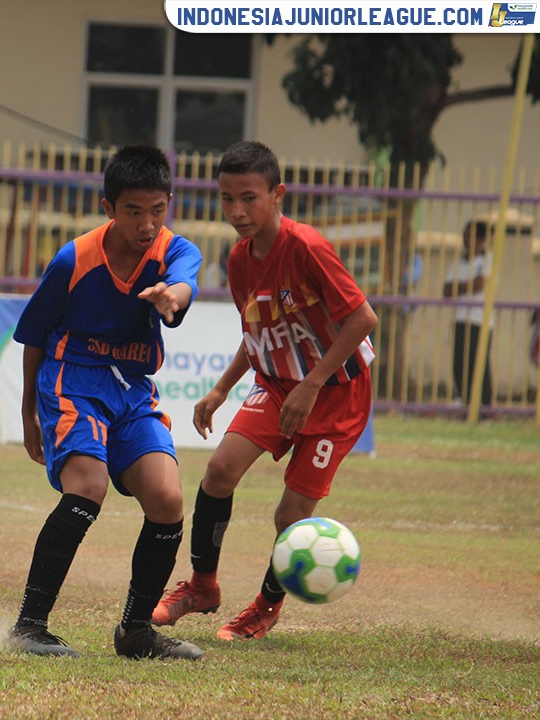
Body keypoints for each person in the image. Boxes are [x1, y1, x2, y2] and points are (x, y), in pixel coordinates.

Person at [152, 140, 378, 641]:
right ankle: (203, 587)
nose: (237, 211)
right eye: (227, 199)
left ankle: (265, 607)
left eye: (249, 198)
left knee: (291, 515)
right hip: (277, 384)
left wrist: (313, 385)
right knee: (219, 470)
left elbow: (363, 318)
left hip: (337, 393)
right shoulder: (238, 260)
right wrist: (219, 390)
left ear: (277, 194)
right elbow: (257, 334)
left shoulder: (308, 248)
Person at [5, 145, 205, 660]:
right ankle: (29, 626)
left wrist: (172, 297)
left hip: (133, 392)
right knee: (88, 486)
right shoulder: (74, 259)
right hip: (73, 380)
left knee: (167, 500)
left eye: (157, 210)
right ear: (108, 207)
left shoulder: (174, 250)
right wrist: (29, 410)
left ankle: (136, 632)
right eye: (134, 211)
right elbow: (34, 335)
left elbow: (185, 281)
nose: (146, 223)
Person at [442, 220, 493, 407]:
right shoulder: (458, 264)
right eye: (464, 235)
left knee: (479, 364)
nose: (465, 240)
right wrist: (469, 285)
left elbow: (481, 284)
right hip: (461, 318)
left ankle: (485, 407)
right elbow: (447, 290)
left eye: (469, 236)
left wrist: (460, 286)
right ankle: (466, 403)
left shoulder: (488, 260)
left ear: (480, 239)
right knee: (459, 364)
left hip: (481, 321)